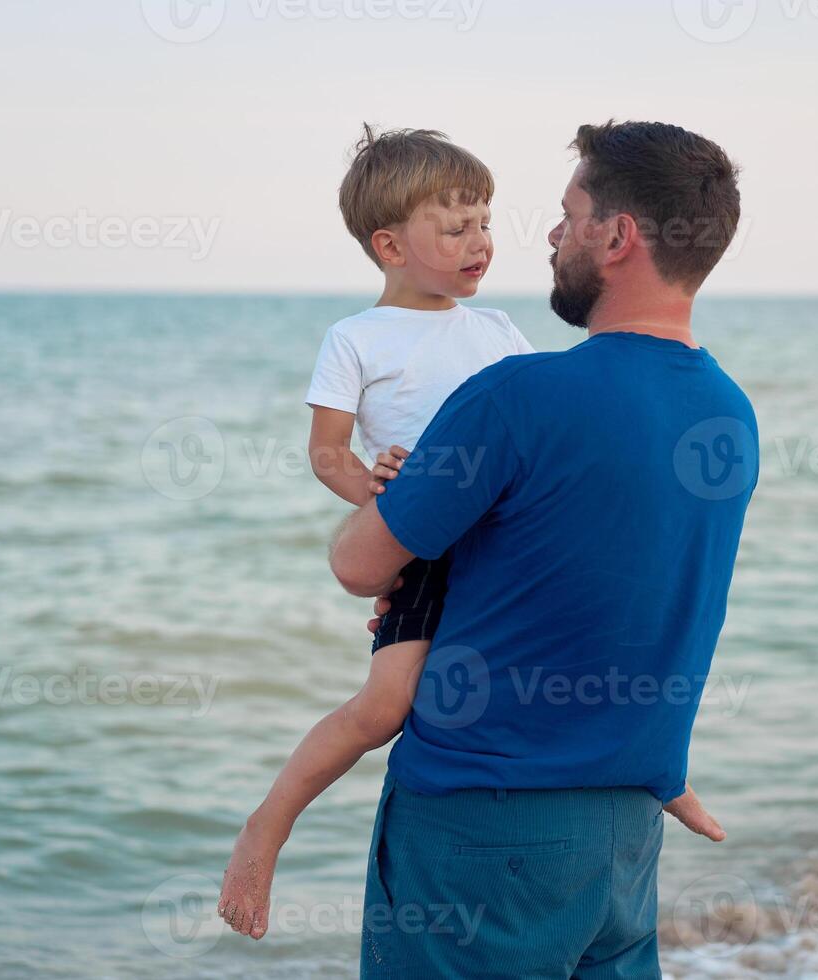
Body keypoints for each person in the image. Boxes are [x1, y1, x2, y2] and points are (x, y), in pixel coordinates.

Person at [305, 119, 757, 977]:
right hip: (625, 831)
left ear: (617, 237)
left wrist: (390, 528)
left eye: (569, 214)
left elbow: (359, 565)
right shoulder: (728, 412)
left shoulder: (517, 391)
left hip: (485, 824)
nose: (548, 235)